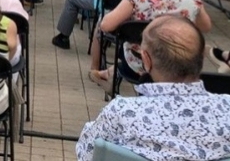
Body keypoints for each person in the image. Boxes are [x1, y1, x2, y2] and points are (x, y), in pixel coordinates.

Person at [76, 15, 230, 161]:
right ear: (201, 59)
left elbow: (86, 154)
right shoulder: (227, 108)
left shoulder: (121, 112)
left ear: (146, 61)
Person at [89, 0, 212, 93]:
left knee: (128, 47)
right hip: (181, 66)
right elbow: (205, 27)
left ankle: (109, 73)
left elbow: (106, 26)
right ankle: (110, 73)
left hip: (139, 64)